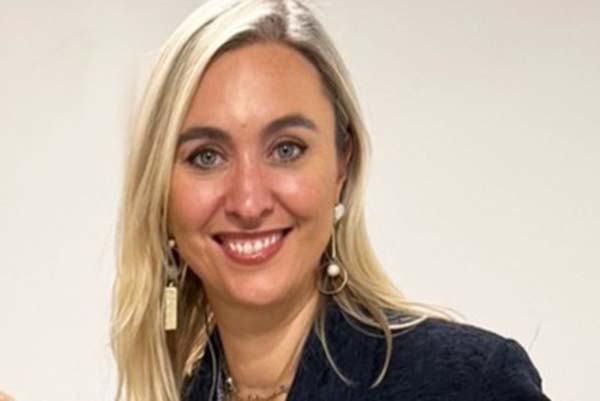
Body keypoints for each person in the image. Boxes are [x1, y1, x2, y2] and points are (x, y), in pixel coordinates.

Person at [110, 1, 550, 401]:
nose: (248, 202)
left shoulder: (470, 386)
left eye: (286, 149)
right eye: (207, 156)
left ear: (342, 165)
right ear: (159, 189)